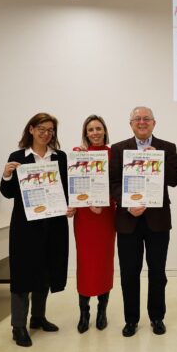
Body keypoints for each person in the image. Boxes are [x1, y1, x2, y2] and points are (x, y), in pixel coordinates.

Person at [0, 112, 74, 347]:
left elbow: (68, 188)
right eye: (41, 129)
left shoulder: (60, 157)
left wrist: (71, 205)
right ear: (31, 129)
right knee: (23, 274)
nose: (46, 134)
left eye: (50, 130)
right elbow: (8, 193)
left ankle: (38, 318)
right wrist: (7, 175)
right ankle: (18, 326)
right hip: (25, 226)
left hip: (54, 224)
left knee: (46, 271)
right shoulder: (18, 157)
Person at [109, 107, 177, 337]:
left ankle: (157, 317)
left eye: (146, 119)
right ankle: (131, 319)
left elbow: (174, 180)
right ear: (131, 123)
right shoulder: (118, 148)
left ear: (154, 123)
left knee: (157, 272)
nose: (142, 122)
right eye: (137, 119)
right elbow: (113, 183)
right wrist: (128, 205)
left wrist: (158, 159)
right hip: (128, 219)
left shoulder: (167, 147)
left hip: (158, 220)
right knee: (129, 273)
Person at [73, 115, 116, 334]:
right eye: (90, 129)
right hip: (85, 217)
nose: (95, 132)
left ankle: (102, 311)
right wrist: (73, 204)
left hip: (105, 215)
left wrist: (103, 201)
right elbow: (73, 185)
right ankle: (84, 312)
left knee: (104, 262)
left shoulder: (114, 154)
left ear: (104, 131)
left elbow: (117, 184)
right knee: (85, 263)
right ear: (86, 133)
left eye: (98, 128)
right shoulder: (78, 154)